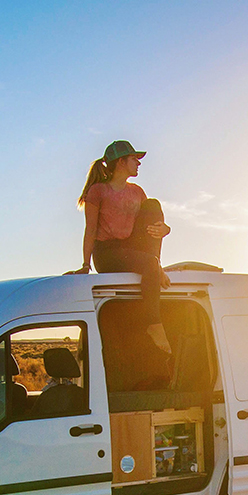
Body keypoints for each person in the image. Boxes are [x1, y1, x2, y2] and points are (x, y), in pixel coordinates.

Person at [74, 140, 173, 354]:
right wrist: (85, 264)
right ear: (121, 162)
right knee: (148, 263)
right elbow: (90, 229)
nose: (138, 163)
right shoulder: (98, 191)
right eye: (134, 159)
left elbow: (148, 224)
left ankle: (156, 266)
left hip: (130, 248)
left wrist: (165, 229)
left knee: (153, 206)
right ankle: (153, 324)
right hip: (107, 253)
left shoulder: (137, 192)